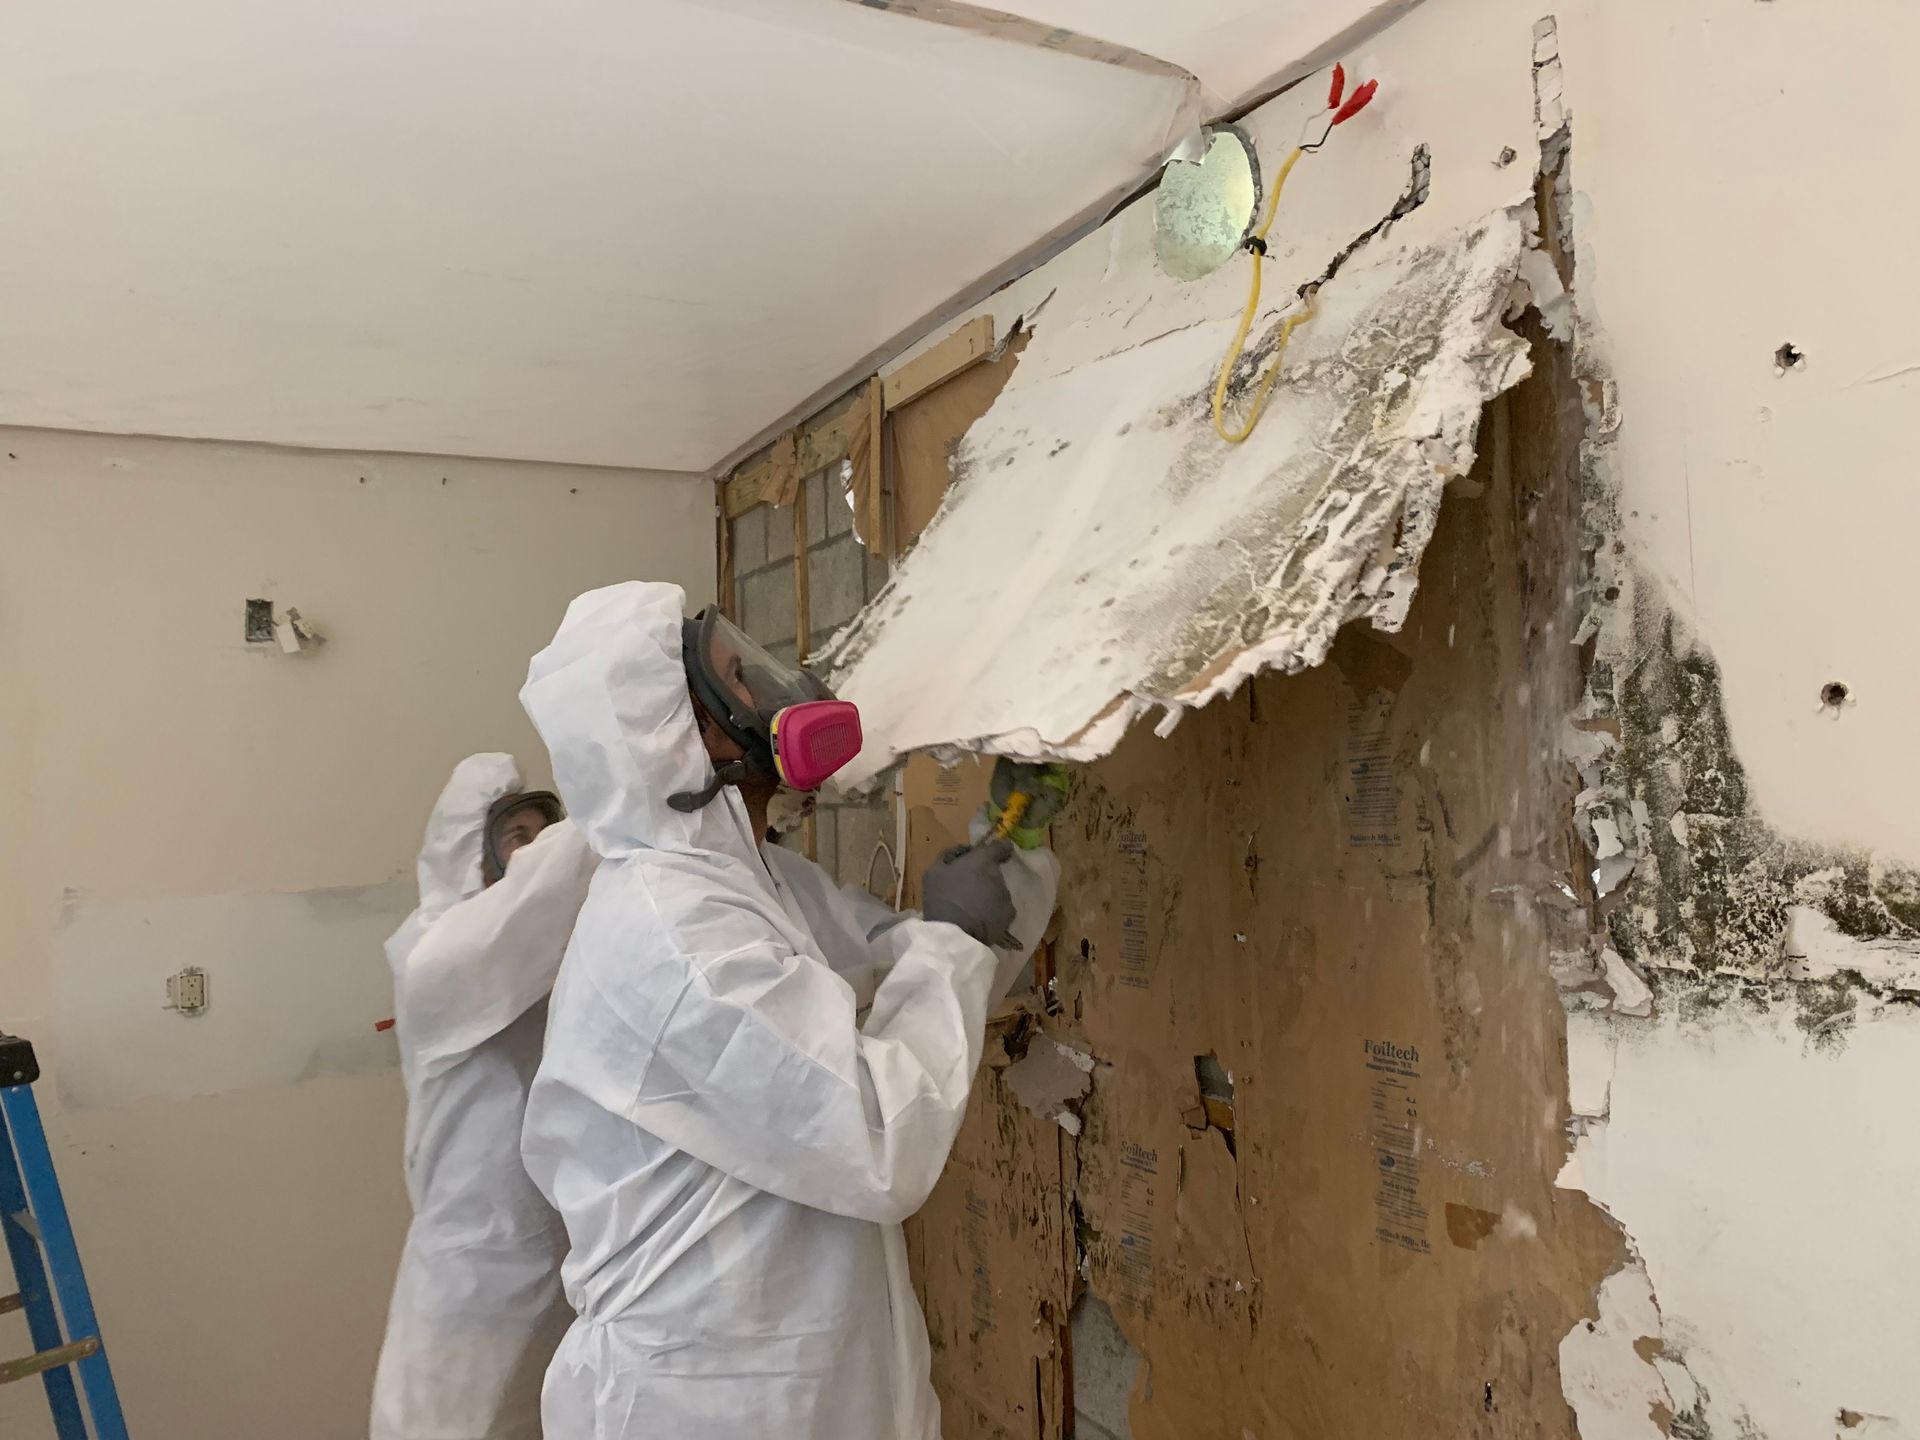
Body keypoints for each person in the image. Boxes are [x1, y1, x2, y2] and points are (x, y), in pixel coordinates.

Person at [518, 581, 1058, 1440]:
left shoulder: (744, 882)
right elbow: (881, 1133)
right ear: (688, 735)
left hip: (787, 1374)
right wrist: (954, 943)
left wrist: (1012, 860)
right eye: (742, 677)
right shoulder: (674, 940)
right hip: (706, 1398)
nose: (778, 687)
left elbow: (903, 969)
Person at [371, 754, 599, 1440]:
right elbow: (561, 876)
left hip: (548, 1255)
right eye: (516, 838)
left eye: (542, 832)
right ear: (470, 857)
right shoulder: (439, 952)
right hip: (474, 1279)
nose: (533, 854)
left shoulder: (543, 947)